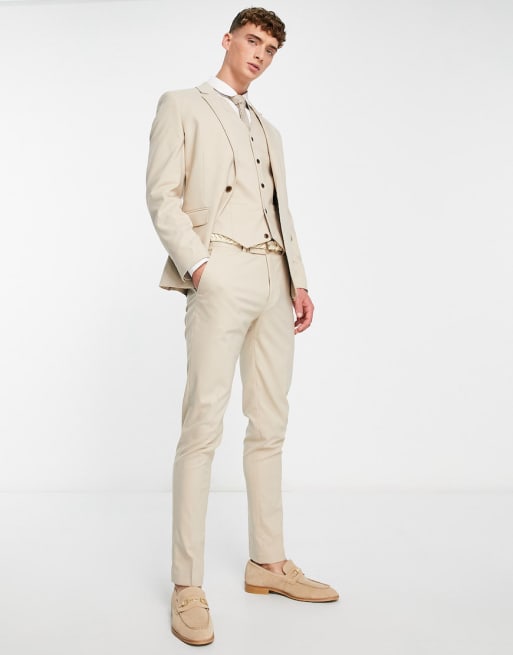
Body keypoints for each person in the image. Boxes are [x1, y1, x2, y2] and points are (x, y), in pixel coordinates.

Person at [146, 7, 339, 646]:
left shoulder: (269, 130)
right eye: (253, 41)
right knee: (203, 425)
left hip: (274, 279)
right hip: (219, 269)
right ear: (227, 40)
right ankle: (187, 583)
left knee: (270, 423)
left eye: (270, 49)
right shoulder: (182, 104)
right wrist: (200, 266)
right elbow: (162, 195)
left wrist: (298, 280)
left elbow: (284, 209)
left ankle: (268, 563)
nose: (260, 54)